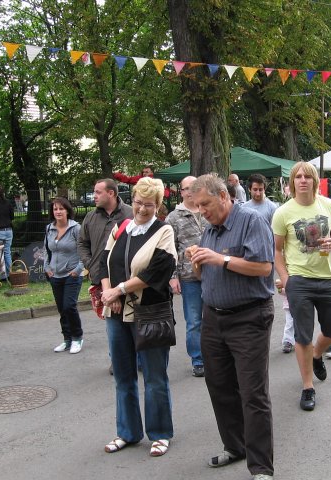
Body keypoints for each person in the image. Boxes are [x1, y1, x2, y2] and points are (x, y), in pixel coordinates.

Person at [188, 174, 275, 480]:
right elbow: (205, 274)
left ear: (223, 196)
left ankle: (261, 467)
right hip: (213, 317)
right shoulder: (209, 228)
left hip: (249, 317)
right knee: (220, 387)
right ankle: (235, 446)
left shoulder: (251, 221)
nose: (202, 211)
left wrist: (220, 258)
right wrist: (199, 261)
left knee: (253, 393)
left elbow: (264, 267)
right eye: (197, 206)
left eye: (206, 204)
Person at [98, 177, 177, 458]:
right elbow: (103, 263)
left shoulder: (163, 231)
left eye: (149, 205)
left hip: (149, 313)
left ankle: (160, 433)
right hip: (116, 312)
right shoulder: (121, 227)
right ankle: (127, 433)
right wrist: (110, 294)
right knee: (123, 376)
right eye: (138, 203)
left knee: (155, 376)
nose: (142, 209)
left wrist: (119, 290)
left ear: (158, 205)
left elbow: (157, 271)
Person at [272, 161, 331, 412]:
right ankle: (307, 387)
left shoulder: (328, 205)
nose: (302, 180)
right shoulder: (283, 212)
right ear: (292, 183)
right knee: (302, 335)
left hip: (327, 278)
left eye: (307, 176)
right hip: (299, 281)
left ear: (315, 181)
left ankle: (316, 355)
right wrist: (286, 278)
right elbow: (278, 251)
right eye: (298, 177)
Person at [78, 178, 133, 373]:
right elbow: (82, 243)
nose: (94, 196)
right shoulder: (91, 218)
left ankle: (138, 358)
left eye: (98, 192)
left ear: (111, 193)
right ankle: (117, 360)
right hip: (101, 279)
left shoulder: (130, 213)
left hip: (129, 280)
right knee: (112, 322)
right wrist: (90, 265)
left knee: (133, 318)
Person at [166, 176, 207, 377]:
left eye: (194, 187)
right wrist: (173, 277)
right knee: (194, 321)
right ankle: (198, 359)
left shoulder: (208, 210)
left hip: (214, 274)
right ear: (181, 192)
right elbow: (168, 250)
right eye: (186, 188)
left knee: (214, 319)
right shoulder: (174, 217)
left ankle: (214, 355)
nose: (190, 191)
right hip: (189, 277)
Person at [44, 197, 85, 354]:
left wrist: (78, 269)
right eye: (55, 209)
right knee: (62, 308)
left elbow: (84, 250)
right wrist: (47, 267)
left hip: (72, 274)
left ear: (67, 211)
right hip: (55, 274)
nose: (58, 212)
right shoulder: (49, 228)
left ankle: (77, 338)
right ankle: (67, 339)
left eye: (61, 209)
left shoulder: (76, 229)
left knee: (69, 306)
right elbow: (46, 249)